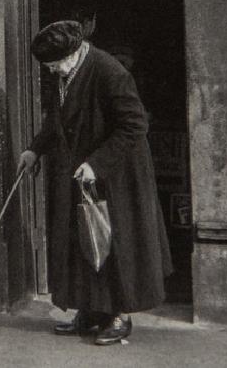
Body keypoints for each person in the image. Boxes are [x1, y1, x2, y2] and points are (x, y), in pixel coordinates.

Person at [17, 20, 172, 346]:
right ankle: (89, 310)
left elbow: (134, 125)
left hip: (116, 175)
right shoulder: (67, 71)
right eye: (48, 66)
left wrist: (96, 164)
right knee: (82, 242)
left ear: (74, 52)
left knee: (113, 244)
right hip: (81, 171)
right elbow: (57, 117)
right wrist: (34, 149)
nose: (51, 70)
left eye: (55, 63)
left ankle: (119, 317)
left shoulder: (109, 71)